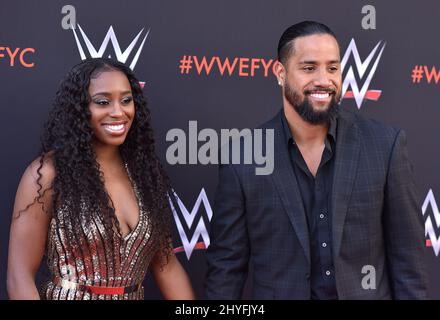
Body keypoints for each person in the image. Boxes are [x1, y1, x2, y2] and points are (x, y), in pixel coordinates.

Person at [205, 21, 427, 299]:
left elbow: (408, 260)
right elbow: (226, 270)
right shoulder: (242, 156)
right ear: (280, 73)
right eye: (309, 68)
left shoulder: (385, 145)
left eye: (332, 68)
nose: (324, 80)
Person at [7, 58, 195, 300]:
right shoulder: (47, 175)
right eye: (103, 102)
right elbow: (19, 276)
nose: (118, 112)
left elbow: (167, 266)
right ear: (79, 108)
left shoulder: (144, 175)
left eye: (126, 100)